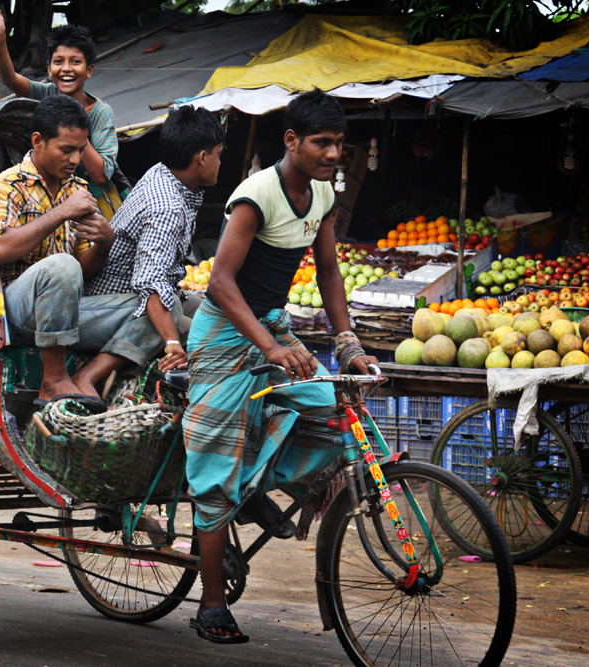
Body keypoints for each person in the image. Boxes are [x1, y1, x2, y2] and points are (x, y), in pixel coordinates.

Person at [183, 90, 377, 644]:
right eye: (323, 142)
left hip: (272, 326)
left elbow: (331, 273)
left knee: (335, 414)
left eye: (339, 143)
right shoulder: (255, 194)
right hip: (225, 337)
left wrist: (348, 343)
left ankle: (255, 490)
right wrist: (269, 347)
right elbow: (219, 282)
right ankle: (212, 603)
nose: (334, 153)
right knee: (214, 474)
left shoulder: (320, 195)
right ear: (291, 140)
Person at [0, 94, 166, 410]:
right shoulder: (7, 185)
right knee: (61, 265)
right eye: (66, 150)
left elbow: (83, 269)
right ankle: (52, 381)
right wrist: (60, 213)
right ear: (38, 142)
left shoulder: (74, 190)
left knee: (162, 308)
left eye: (81, 150)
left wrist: (105, 243)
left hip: (64, 312)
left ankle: (87, 378)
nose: (75, 159)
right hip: (14, 313)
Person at [77, 106, 225, 388]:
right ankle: (90, 377)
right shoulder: (167, 206)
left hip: (151, 291)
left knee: (218, 317)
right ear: (203, 158)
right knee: (214, 350)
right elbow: (151, 283)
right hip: (119, 299)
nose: (220, 162)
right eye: (218, 155)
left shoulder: (163, 173)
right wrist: (172, 342)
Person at [0, 1, 126, 219]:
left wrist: (75, 123)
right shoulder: (46, 94)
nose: (66, 69)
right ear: (49, 69)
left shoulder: (100, 112)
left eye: (75, 62)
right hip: (47, 199)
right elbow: (11, 79)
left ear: (89, 70)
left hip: (92, 203)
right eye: (58, 61)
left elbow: (100, 176)